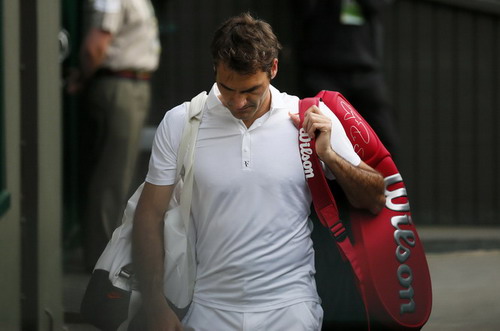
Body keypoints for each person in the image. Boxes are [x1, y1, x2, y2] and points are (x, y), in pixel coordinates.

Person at [132, 12, 385, 331]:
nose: (237, 102)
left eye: (250, 90)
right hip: (208, 308)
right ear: (215, 69)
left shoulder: (308, 117)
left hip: (292, 308)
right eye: (226, 88)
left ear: (273, 69)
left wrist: (330, 156)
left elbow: (376, 196)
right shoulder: (181, 122)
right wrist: (155, 306)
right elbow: (148, 215)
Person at [67, 0, 161, 270]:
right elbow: (95, 46)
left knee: (121, 175)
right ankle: (102, 260)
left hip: (134, 83)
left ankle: (112, 254)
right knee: (111, 177)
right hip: (118, 84)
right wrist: (83, 77)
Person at [294, 0, 399, 157]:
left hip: (365, 70)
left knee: (385, 137)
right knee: (320, 136)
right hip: (321, 69)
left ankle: (385, 181)